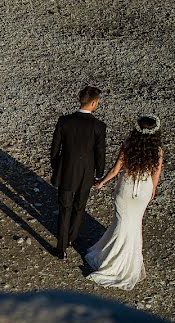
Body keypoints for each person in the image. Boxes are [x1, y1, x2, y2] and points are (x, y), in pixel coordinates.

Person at [85, 115, 164, 290]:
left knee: (121, 223)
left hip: (126, 189)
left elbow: (116, 169)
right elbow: (156, 174)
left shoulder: (129, 145)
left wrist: (102, 181)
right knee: (135, 225)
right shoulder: (157, 150)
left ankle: (112, 261)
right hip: (143, 190)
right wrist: (152, 190)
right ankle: (129, 263)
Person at [50, 86, 107, 259]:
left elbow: (55, 148)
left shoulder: (64, 121)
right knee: (79, 206)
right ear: (94, 103)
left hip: (66, 171)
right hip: (86, 173)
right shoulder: (98, 126)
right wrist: (99, 173)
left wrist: (57, 166)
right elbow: (100, 152)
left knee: (64, 208)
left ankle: (61, 247)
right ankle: (72, 238)